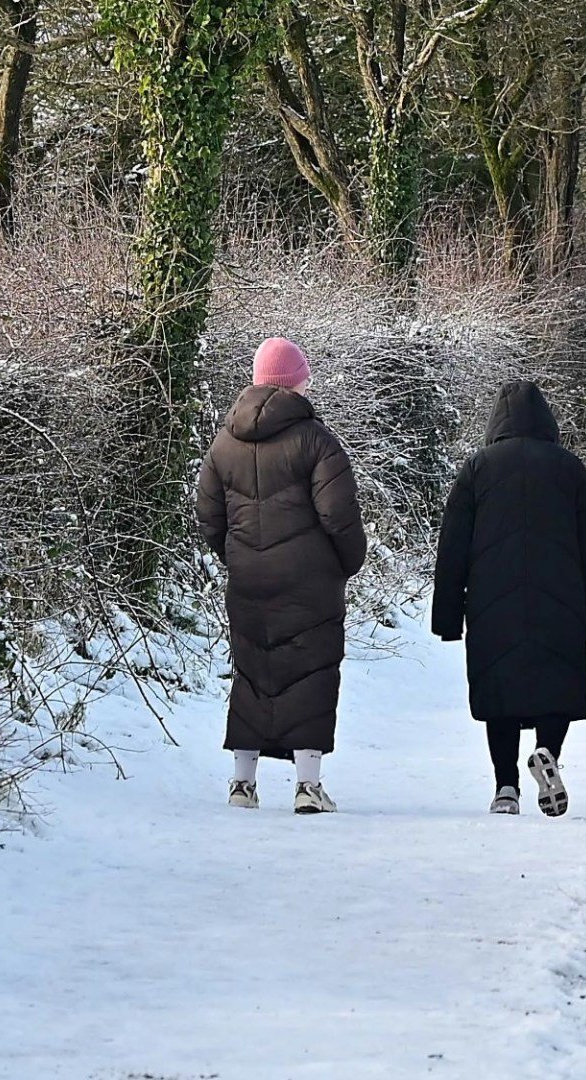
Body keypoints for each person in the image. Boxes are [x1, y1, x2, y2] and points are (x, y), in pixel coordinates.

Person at [196, 337, 367, 814]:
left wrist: (239, 557)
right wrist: (345, 564)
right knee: (311, 674)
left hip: (248, 580)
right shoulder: (317, 441)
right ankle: (308, 786)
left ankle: (242, 784)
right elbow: (340, 516)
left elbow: (209, 518)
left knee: (251, 673)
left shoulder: (223, 443)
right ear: (296, 381)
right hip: (310, 581)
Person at [432, 380, 586, 816]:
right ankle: (547, 749)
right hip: (561, 597)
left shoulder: (477, 468)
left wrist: (448, 617)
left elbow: (452, 546)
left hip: (493, 600)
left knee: (500, 689)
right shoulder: (569, 468)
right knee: (558, 683)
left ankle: (506, 786)